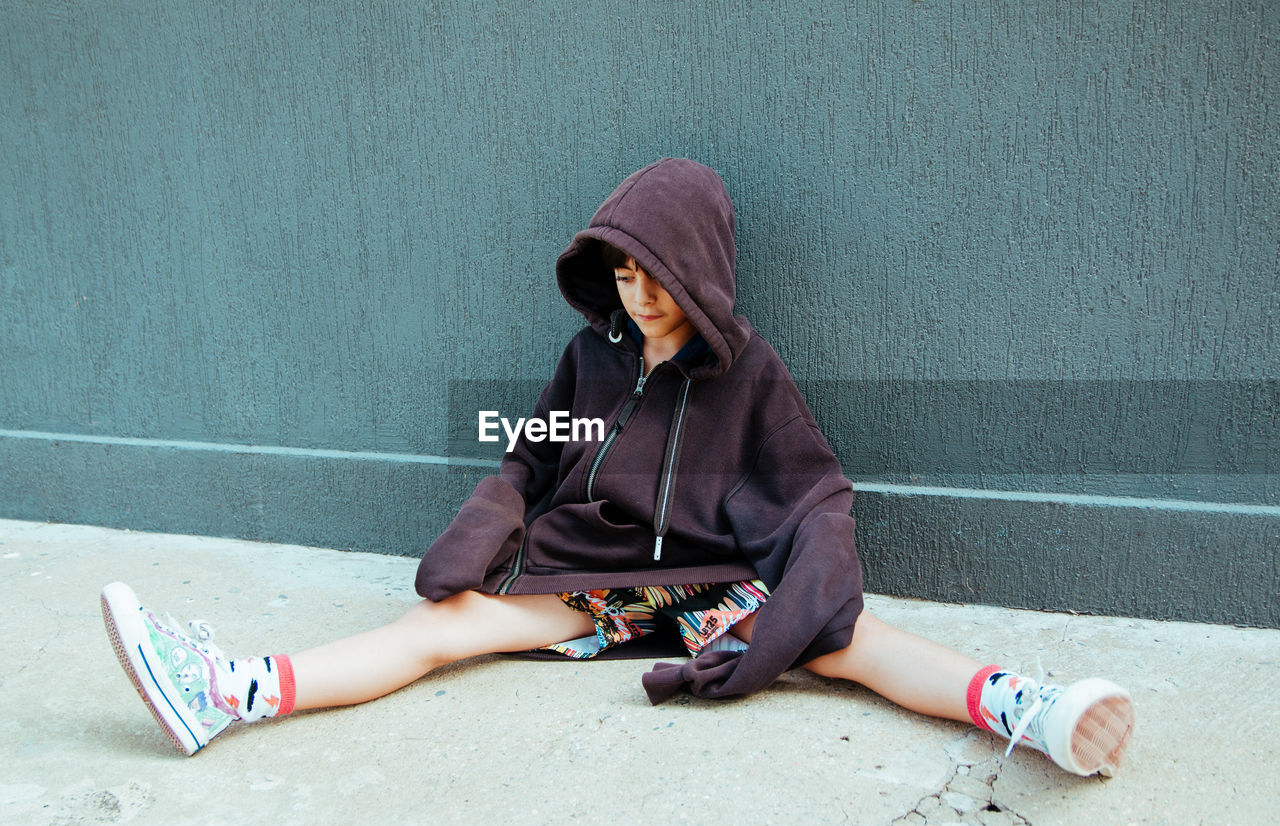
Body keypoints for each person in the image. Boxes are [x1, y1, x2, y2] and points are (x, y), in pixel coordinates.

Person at [101, 158, 1134, 776]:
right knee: (436, 632)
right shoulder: (588, 355)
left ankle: (1025, 710)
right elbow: (533, 445)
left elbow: (810, 487)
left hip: (708, 575)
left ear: (700, 269)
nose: (638, 294)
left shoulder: (747, 372)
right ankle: (232, 688)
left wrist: (803, 590)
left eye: (658, 273)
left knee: (850, 642)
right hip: (591, 573)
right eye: (624, 272)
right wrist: (494, 508)